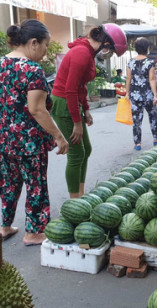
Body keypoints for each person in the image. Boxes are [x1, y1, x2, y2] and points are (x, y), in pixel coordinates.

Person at [0, 20, 69, 245]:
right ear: (33, 42)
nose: (46, 51)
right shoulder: (31, 69)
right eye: (46, 45)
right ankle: (34, 232)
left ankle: (5, 226)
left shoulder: (1, 64)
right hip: (29, 141)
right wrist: (59, 136)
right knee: (36, 184)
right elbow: (37, 109)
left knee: (9, 183)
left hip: (4, 138)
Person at [51, 24, 127, 199]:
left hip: (72, 101)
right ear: (106, 42)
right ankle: (74, 202)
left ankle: (81, 194)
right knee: (76, 154)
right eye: (112, 51)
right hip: (64, 103)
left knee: (87, 149)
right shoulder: (82, 53)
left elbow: (81, 86)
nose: (109, 54)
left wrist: (86, 110)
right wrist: (77, 123)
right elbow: (70, 90)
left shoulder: (88, 52)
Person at [126, 37, 157, 151]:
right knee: (153, 117)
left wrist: (127, 93)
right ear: (147, 48)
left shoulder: (131, 62)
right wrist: (155, 95)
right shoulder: (149, 63)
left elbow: (128, 78)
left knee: (136, 119)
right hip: (148, 95)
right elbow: (152, 80)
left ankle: (137, 144)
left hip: (135, 95)